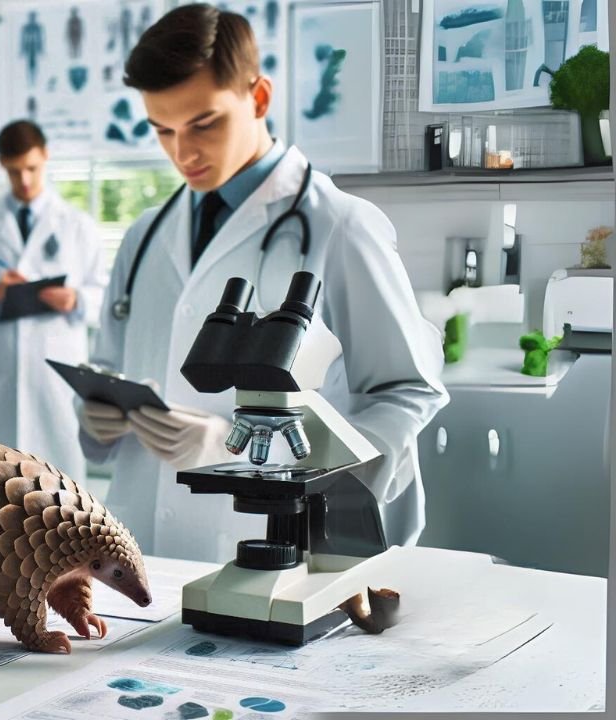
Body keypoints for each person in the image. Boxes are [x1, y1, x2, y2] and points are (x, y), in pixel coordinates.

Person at [78, 5, 448, 561]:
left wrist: (236, 451)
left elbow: (407, 392)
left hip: (274, 545)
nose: (182, 153)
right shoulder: (143, 236)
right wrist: (97, 420)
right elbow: (110, 366)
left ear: (258, 98)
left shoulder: (340, 225)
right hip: (140, 552)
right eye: (163, 131)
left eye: (204, 124)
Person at [0, 120, 106, 483]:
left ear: (46, 157)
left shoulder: (77, 224)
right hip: (1, 364)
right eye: (14, 171)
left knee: (60, 475)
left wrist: (75, 298)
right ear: (1, 164)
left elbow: (104, 293)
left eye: (32, 169)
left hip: (55, 362)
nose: (23, 180)